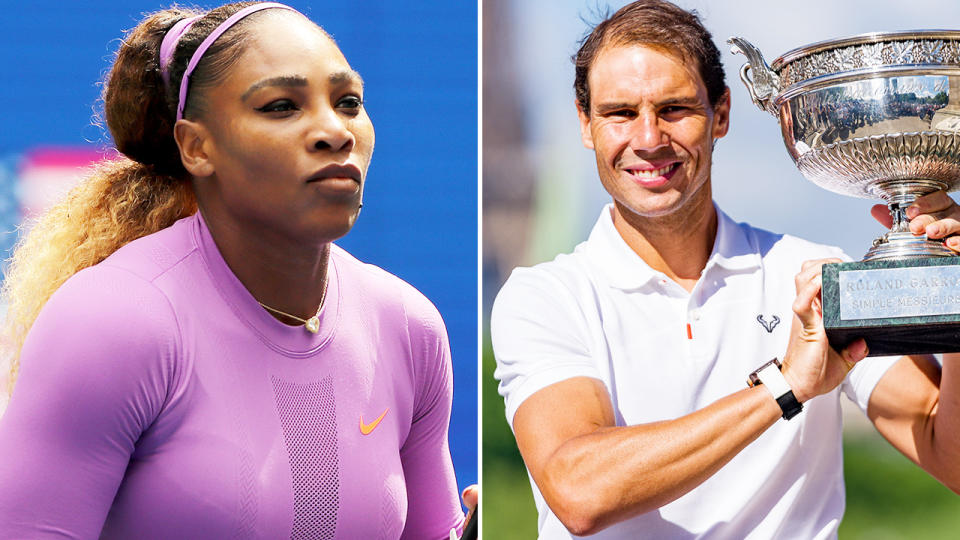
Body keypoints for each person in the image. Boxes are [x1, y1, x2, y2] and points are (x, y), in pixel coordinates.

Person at [0, 2, 473, 538]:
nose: (334, 132)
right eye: (280, 107)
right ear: (197, 147)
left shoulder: (408, 327)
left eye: (348, 103)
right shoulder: (113, 321)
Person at [491, 1, 960, 538]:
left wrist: (953, 303)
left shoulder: (811, 276)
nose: (647, 139)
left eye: (674, 109)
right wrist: (783, 387)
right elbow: (580, 491)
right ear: (586, 124)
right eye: (620, 113)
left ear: (722, 114)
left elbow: (952, 460)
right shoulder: (545, 297)